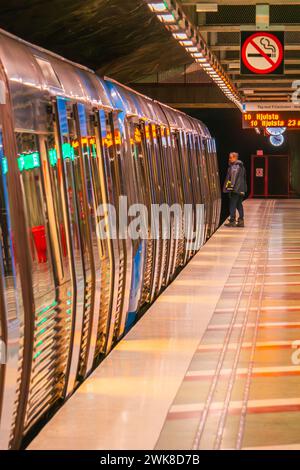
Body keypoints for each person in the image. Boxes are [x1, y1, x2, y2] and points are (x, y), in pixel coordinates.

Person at [223, 152, 247, 228]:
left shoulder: (235, 166)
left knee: (232, 205)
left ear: (235, 158)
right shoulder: (241, 166)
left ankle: (232, 221)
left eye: (230, 157)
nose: (229, 159)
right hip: (241, 188)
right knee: (239, 204)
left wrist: (230, 189)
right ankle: (241, 221)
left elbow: (232, 179)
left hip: (235, 189)